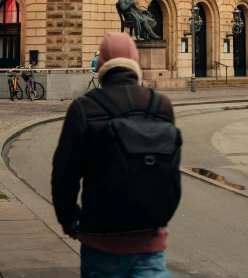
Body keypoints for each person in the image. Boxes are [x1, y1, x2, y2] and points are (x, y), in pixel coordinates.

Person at [52, 33, 177, 278]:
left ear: (100, 65)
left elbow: (64, 175)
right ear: (136, 61)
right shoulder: (161, 106)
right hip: (150, 242)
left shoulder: (83, 107)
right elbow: (170, 173)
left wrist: (70, 220)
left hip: (100, 240)